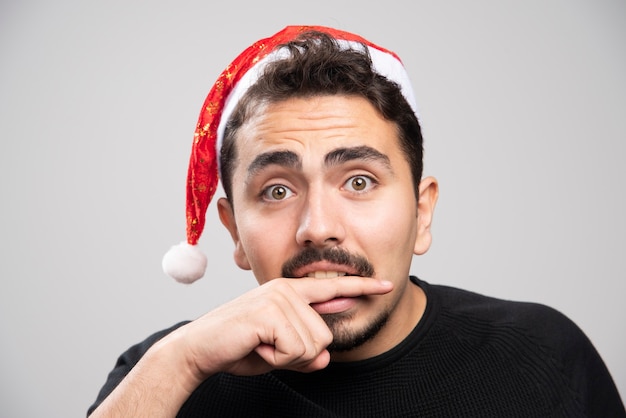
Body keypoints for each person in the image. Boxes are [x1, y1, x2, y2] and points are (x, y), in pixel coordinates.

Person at [87, 25, 625, 417]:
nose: (317, 227)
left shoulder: (541, 356)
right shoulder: (163, 375)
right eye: (277, 190)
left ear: (421, 211)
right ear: (234, 232)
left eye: (359, 181)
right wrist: (179, 367)